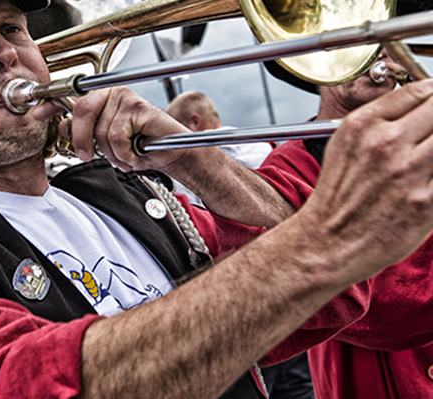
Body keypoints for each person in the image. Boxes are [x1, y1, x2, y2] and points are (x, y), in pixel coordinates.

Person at [0, 0, 433, 399]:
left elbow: (324, 304)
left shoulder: (131, 196)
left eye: (14, 30)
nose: (5, 54)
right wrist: (327, 240)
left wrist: (194, 159)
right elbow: (16, 385)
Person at [258, 39, 433, 398]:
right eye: (358, 43)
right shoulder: (289, 165)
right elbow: (373, 305)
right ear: (313, 65)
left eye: (388, 41)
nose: (381, 52)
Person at [167, 91, 312, 399]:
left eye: (175, 128)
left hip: (245, 288)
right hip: (296, 282)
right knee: (300, 385)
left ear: (194, 122)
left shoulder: (188, 156)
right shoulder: (264, 145)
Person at [165, 91, 273, 169]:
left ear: (195, 122)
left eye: (174, 132)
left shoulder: (197, 158)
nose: (173, 143)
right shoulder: (265, 147)